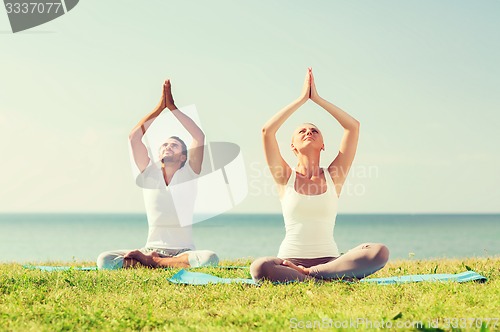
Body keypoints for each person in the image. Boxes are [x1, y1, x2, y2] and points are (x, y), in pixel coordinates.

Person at [250, 68, 389, 282]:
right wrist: (301, 99)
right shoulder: (285, 178)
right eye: (302, 131)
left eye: (314, 131)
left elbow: (352, 127)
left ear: (323, 145)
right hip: (289, 262)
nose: (308, 133)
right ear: (293, 146)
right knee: (260, 267)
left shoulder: (334, 176)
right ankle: (319, 277)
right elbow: (267, 132)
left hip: (330, 263)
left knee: (379, 251)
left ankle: (313, 275)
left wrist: (317, 99)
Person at [97, 79, 218, 269]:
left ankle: (154, 263)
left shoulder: (190, 172)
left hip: (183, 251)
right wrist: (160, 108)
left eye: (174, 145)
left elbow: (198, 136)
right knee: (105, 260)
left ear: (183, 157)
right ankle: (158, 261)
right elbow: (134, 137)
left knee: (210, 259)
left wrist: (173, 108)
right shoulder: (149, 173)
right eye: (164, 145)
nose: (167, 147)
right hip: (150, 248)